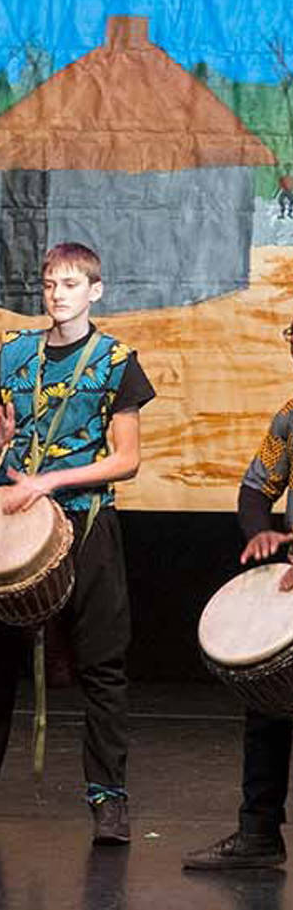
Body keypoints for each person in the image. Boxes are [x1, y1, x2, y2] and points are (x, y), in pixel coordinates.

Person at [0, 242, 154, 844]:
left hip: (85, 521)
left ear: (95, 291)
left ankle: (109, 797)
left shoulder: (118, 362)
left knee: (102, 665)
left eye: (71, 284)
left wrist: (52, 480)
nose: (57, 294)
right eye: (50, 284)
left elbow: (126, 461)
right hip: (13, 522)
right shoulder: (15, 354)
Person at [182, 325, 293, 871]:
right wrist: (259, 533)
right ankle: (258, 833)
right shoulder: (292, 414)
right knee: (269, 702)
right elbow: (257, 487)